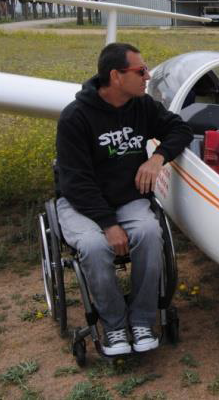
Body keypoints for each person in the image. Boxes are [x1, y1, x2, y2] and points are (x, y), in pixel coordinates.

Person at [56, 43, 192, 355]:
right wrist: (108, 224)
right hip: (82, 204)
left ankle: (143, 319)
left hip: (126, 197)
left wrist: (157, 157)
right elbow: (75, 183)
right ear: (116, 76)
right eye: (140, 71)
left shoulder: (142, 105)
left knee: (147, 233)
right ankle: (115, 325)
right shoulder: (75, 118)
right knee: (92, 246)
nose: (148, 76)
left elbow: (179, 129)